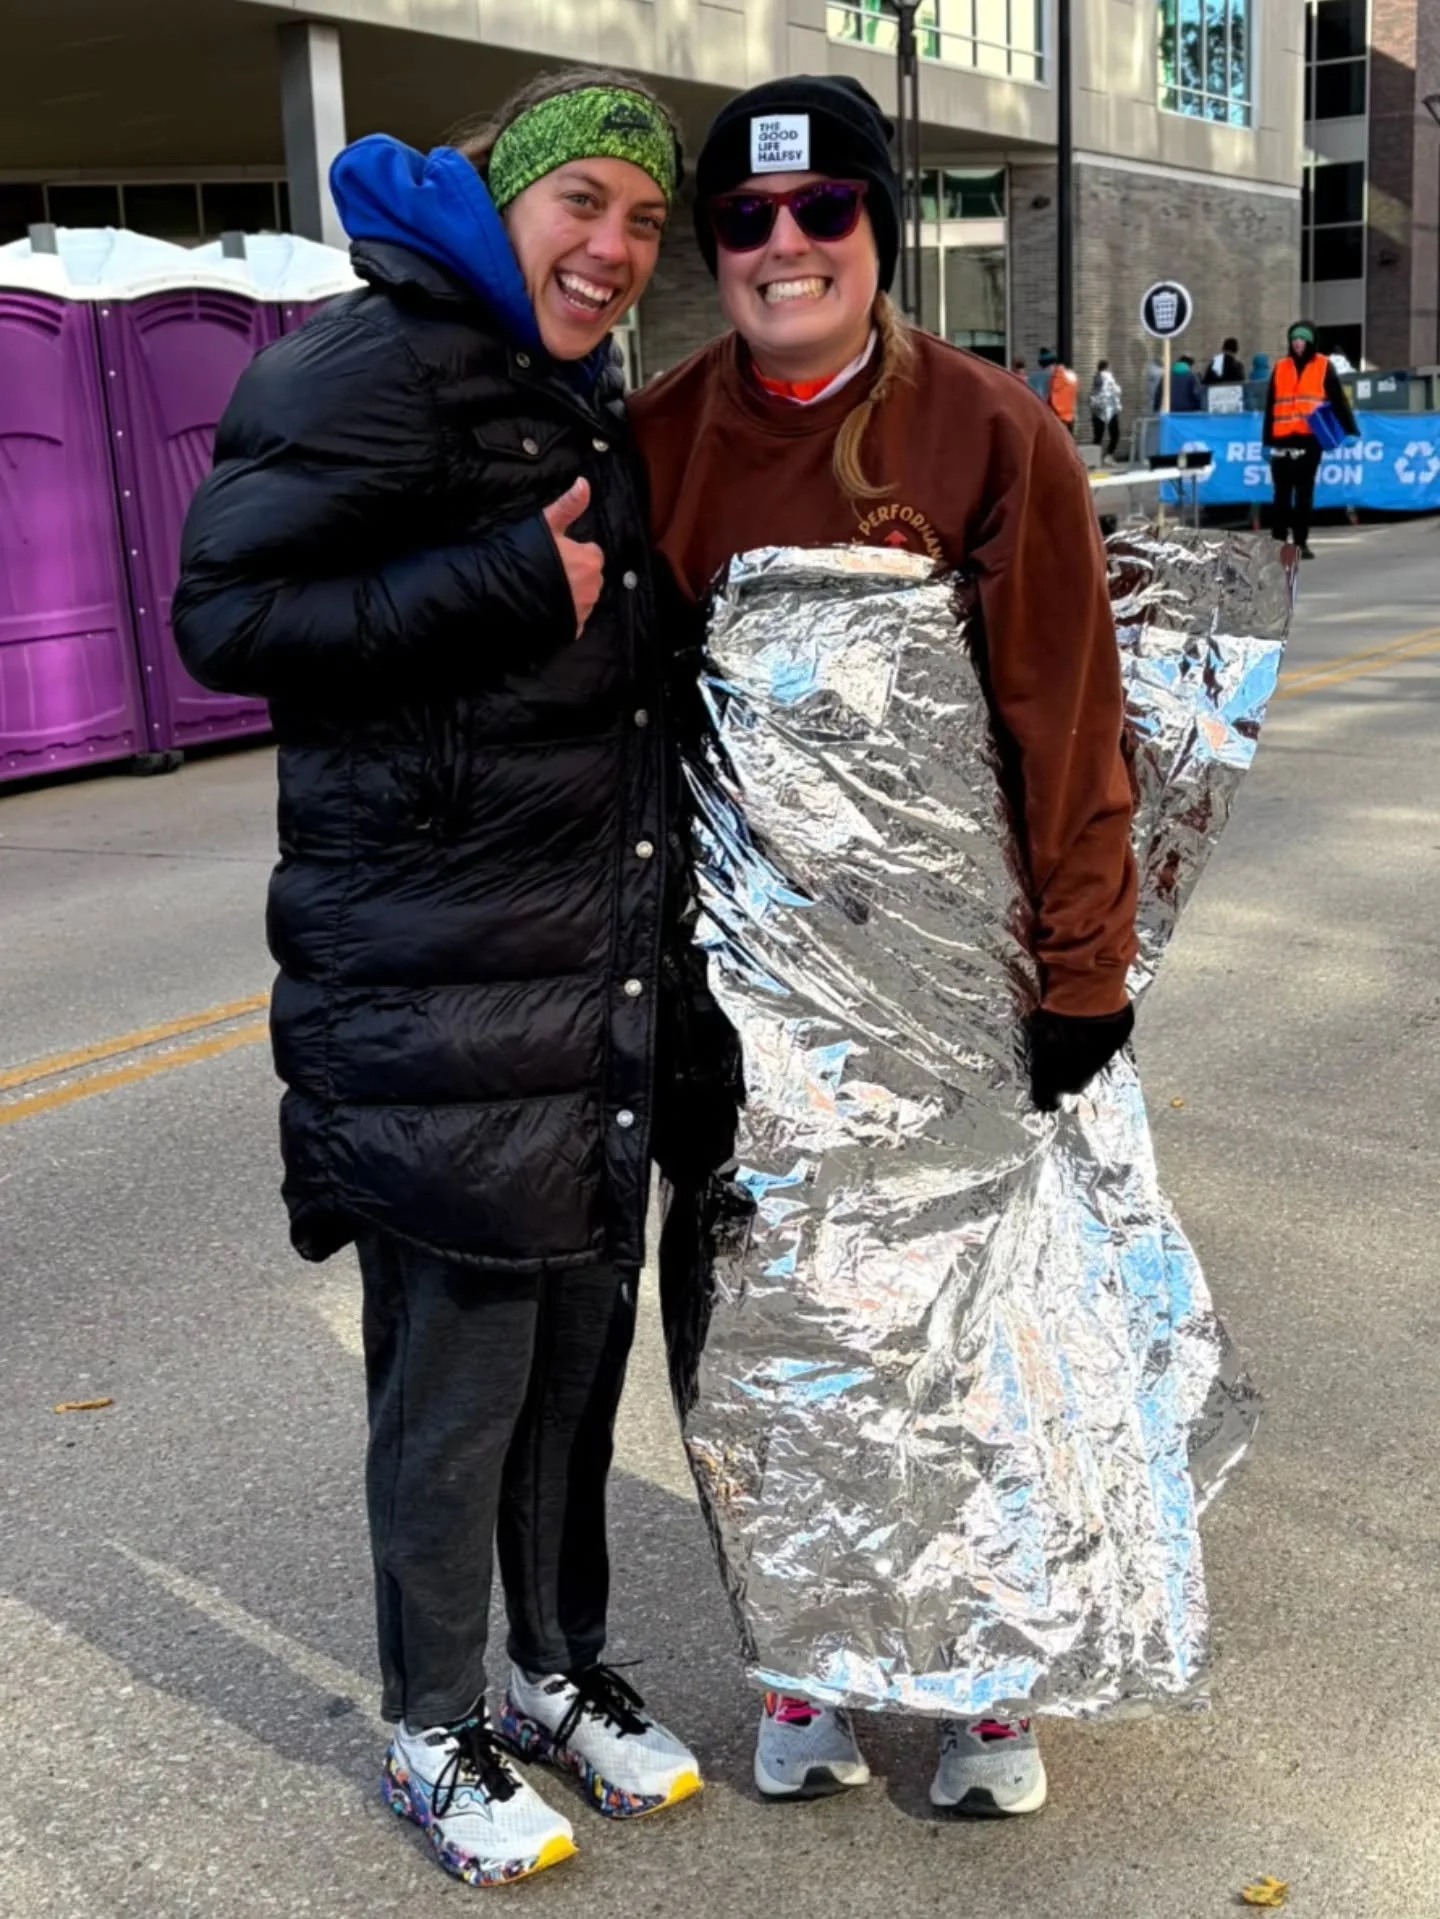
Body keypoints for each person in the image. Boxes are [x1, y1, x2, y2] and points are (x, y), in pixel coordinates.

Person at [171, 69, 704, 1890]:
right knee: (457, 1389)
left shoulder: (563, 378)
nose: (615, 248)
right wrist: (500, 583)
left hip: (580, 978)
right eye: (585, 205)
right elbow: (224, 618)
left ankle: (554, 1670)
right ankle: (430, 1723)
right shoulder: (371, 361)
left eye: (645, 221)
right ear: (504, 195)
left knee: (573, 1365)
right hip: (433, 988)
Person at [628, 73, 1137, 1821]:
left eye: (824, 209)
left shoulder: (989, 432)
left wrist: (1083, 974)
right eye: (747, 219)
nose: (785, 244)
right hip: (737, 999)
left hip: (951, 996)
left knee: (964, 1330)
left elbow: (1068, 720)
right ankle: (804, 1658)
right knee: (765, 1333)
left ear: (880, 230)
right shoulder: (660, 436)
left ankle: (987, 1678)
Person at [1262, 319, 1358, 559]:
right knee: (1281, 496)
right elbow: (1270, 406)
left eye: (1302, 339)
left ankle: (1300, 542)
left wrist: (1351, 430)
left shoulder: (1323, 366)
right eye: (1294, 339)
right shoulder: (1281, 367)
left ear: (1311, 342)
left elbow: (1338, 400)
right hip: (1282, 439)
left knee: (1304, 494)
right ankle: (1278, 542)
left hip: (1309, 439)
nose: (1298, 343)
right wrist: (1266, 441)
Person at [1090, 358, 1122, 461]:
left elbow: (1095, 395)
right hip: (1110, 410)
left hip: (1097, 411)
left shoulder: (1096, 378)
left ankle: (1093, 459)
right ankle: (1108, 455)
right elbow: (1115, 392)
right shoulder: (1108, 377)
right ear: (1107, 367)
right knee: (1115, 435)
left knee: (1098, 437)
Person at [1046, 351, 1079, 435]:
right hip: (1070, 415)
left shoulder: (1056, 376)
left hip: (1059, 416)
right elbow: (1075, 396)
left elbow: (1053, 397)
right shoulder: (1072, 376)